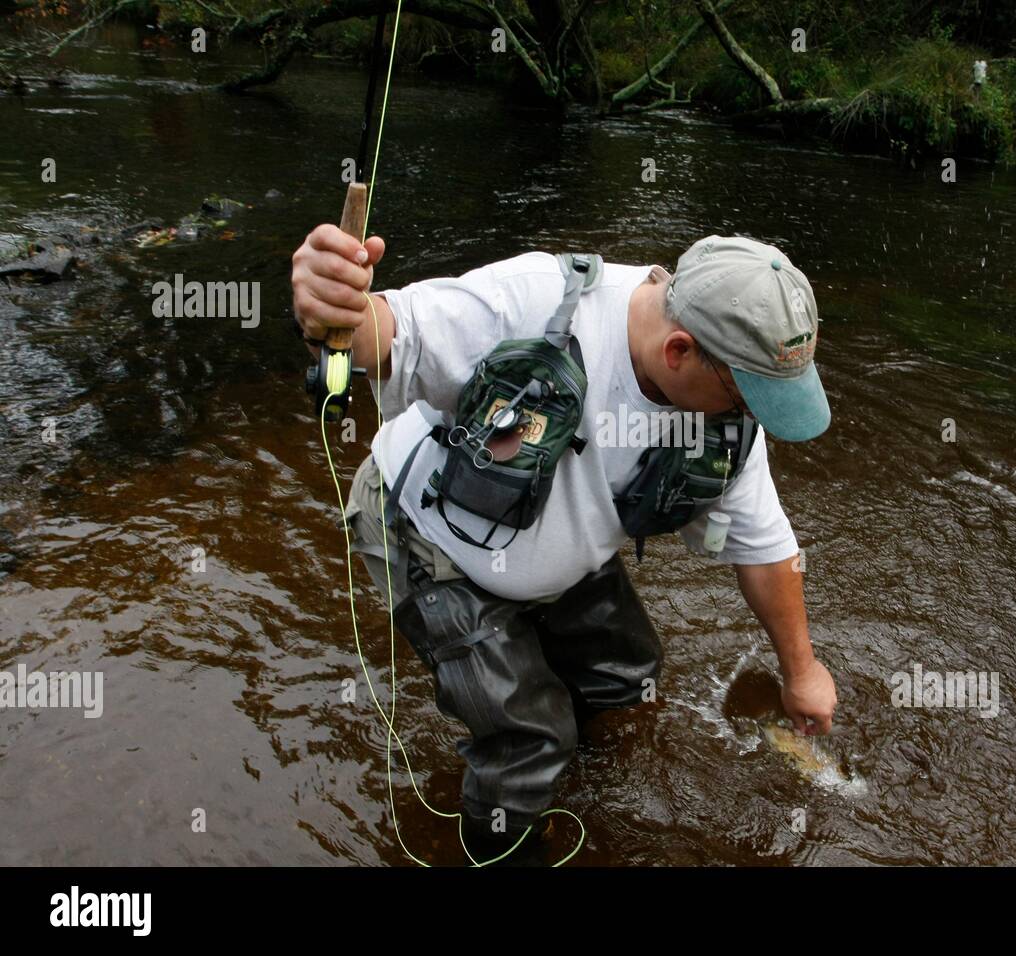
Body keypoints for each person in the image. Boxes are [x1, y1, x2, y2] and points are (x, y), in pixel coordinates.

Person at [290, 228, 838, 863]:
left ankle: (586, 801)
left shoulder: (727, 412)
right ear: (681, 350)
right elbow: (379, 336)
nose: (755, 418)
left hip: (558, 540)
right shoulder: (530, 302)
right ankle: (504, 847)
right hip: (425, 533)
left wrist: (802, 671)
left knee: (627, 678)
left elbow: (765, 547)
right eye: (748, 397)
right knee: (528, 738)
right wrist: (329, 308)